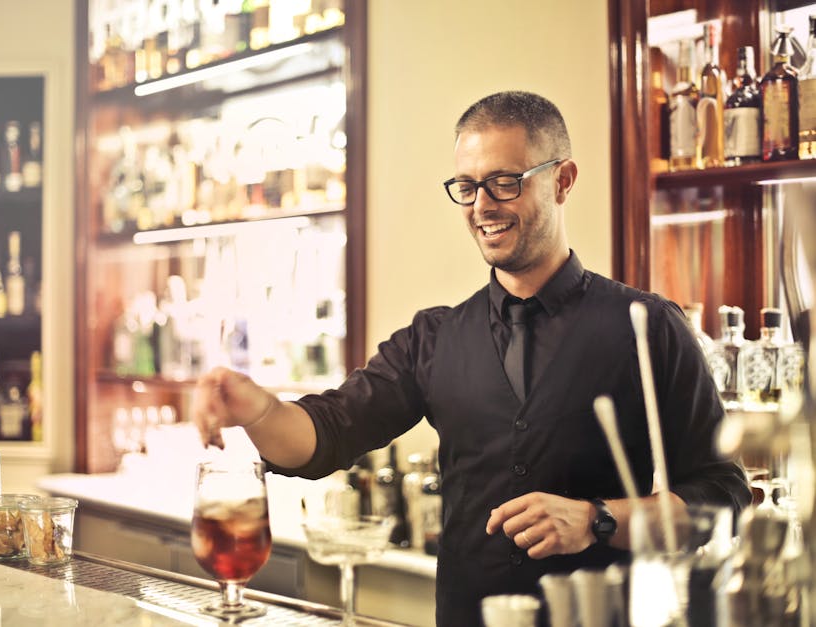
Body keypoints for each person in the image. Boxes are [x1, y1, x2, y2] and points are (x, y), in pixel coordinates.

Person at [191, 90, 751, 626]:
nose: (482, 206)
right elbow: (325, 434)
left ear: (563, 180)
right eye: (467, 185)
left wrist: (596, 520)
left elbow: (721, 498)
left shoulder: (648, 327)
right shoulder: (433, 338)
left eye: (504, 183)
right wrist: (259, 410)